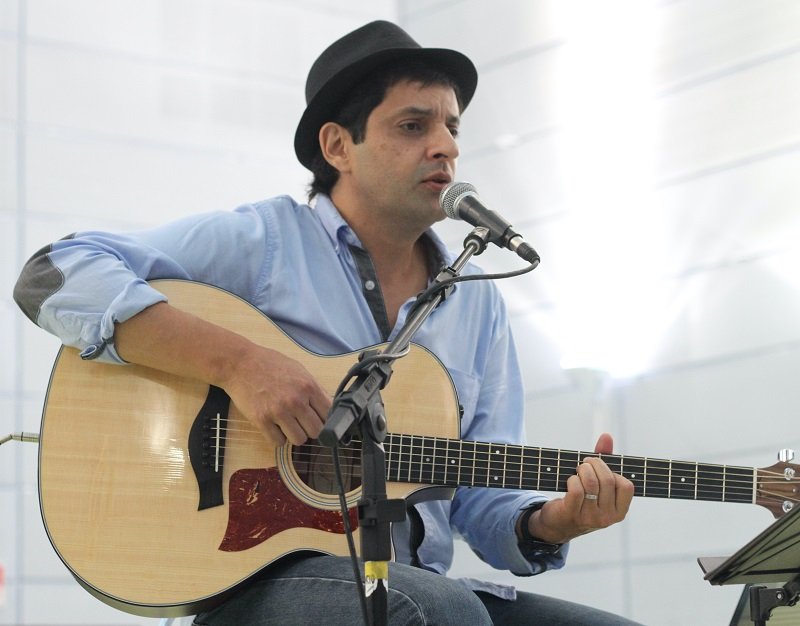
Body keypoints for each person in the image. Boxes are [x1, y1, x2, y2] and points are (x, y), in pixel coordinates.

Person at [15, 20, 639, 625]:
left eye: (451, 127)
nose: (445, 145)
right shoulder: (264, 241)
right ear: (338, 145)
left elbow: (480, 495)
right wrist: (239, 364)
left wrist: (552, 521)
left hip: (414, 590)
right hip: (254, 583)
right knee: (437, 610)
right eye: (412, 125)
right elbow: (54, 272)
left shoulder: (478, 301)